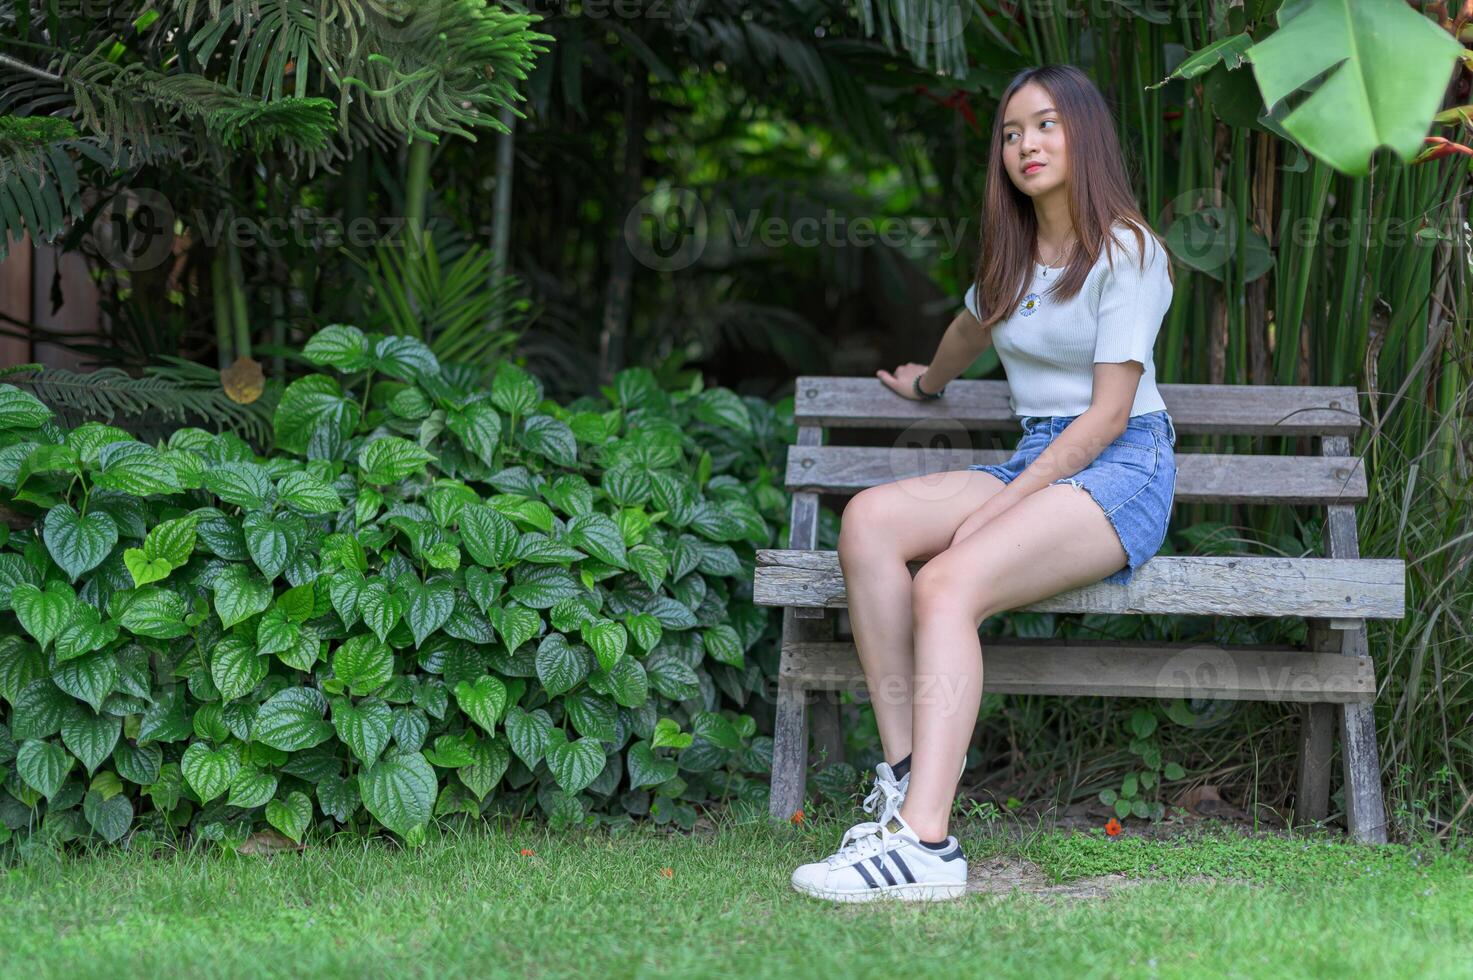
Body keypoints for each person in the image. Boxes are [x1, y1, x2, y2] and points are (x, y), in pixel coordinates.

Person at [789, 63, 1179, 903]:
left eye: (1044, 125)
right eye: (1010, 133)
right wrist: (926, 383)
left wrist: (999, 507)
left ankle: (927, 844)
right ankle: (901, 783)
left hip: (1121, 466)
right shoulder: (1014, 258)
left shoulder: (1127, 251)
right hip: (1040, 456)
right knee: (868, 521)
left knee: (949, 583)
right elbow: (971, 328)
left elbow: (1107, 417)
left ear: (1083, 132)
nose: (1025, 145)